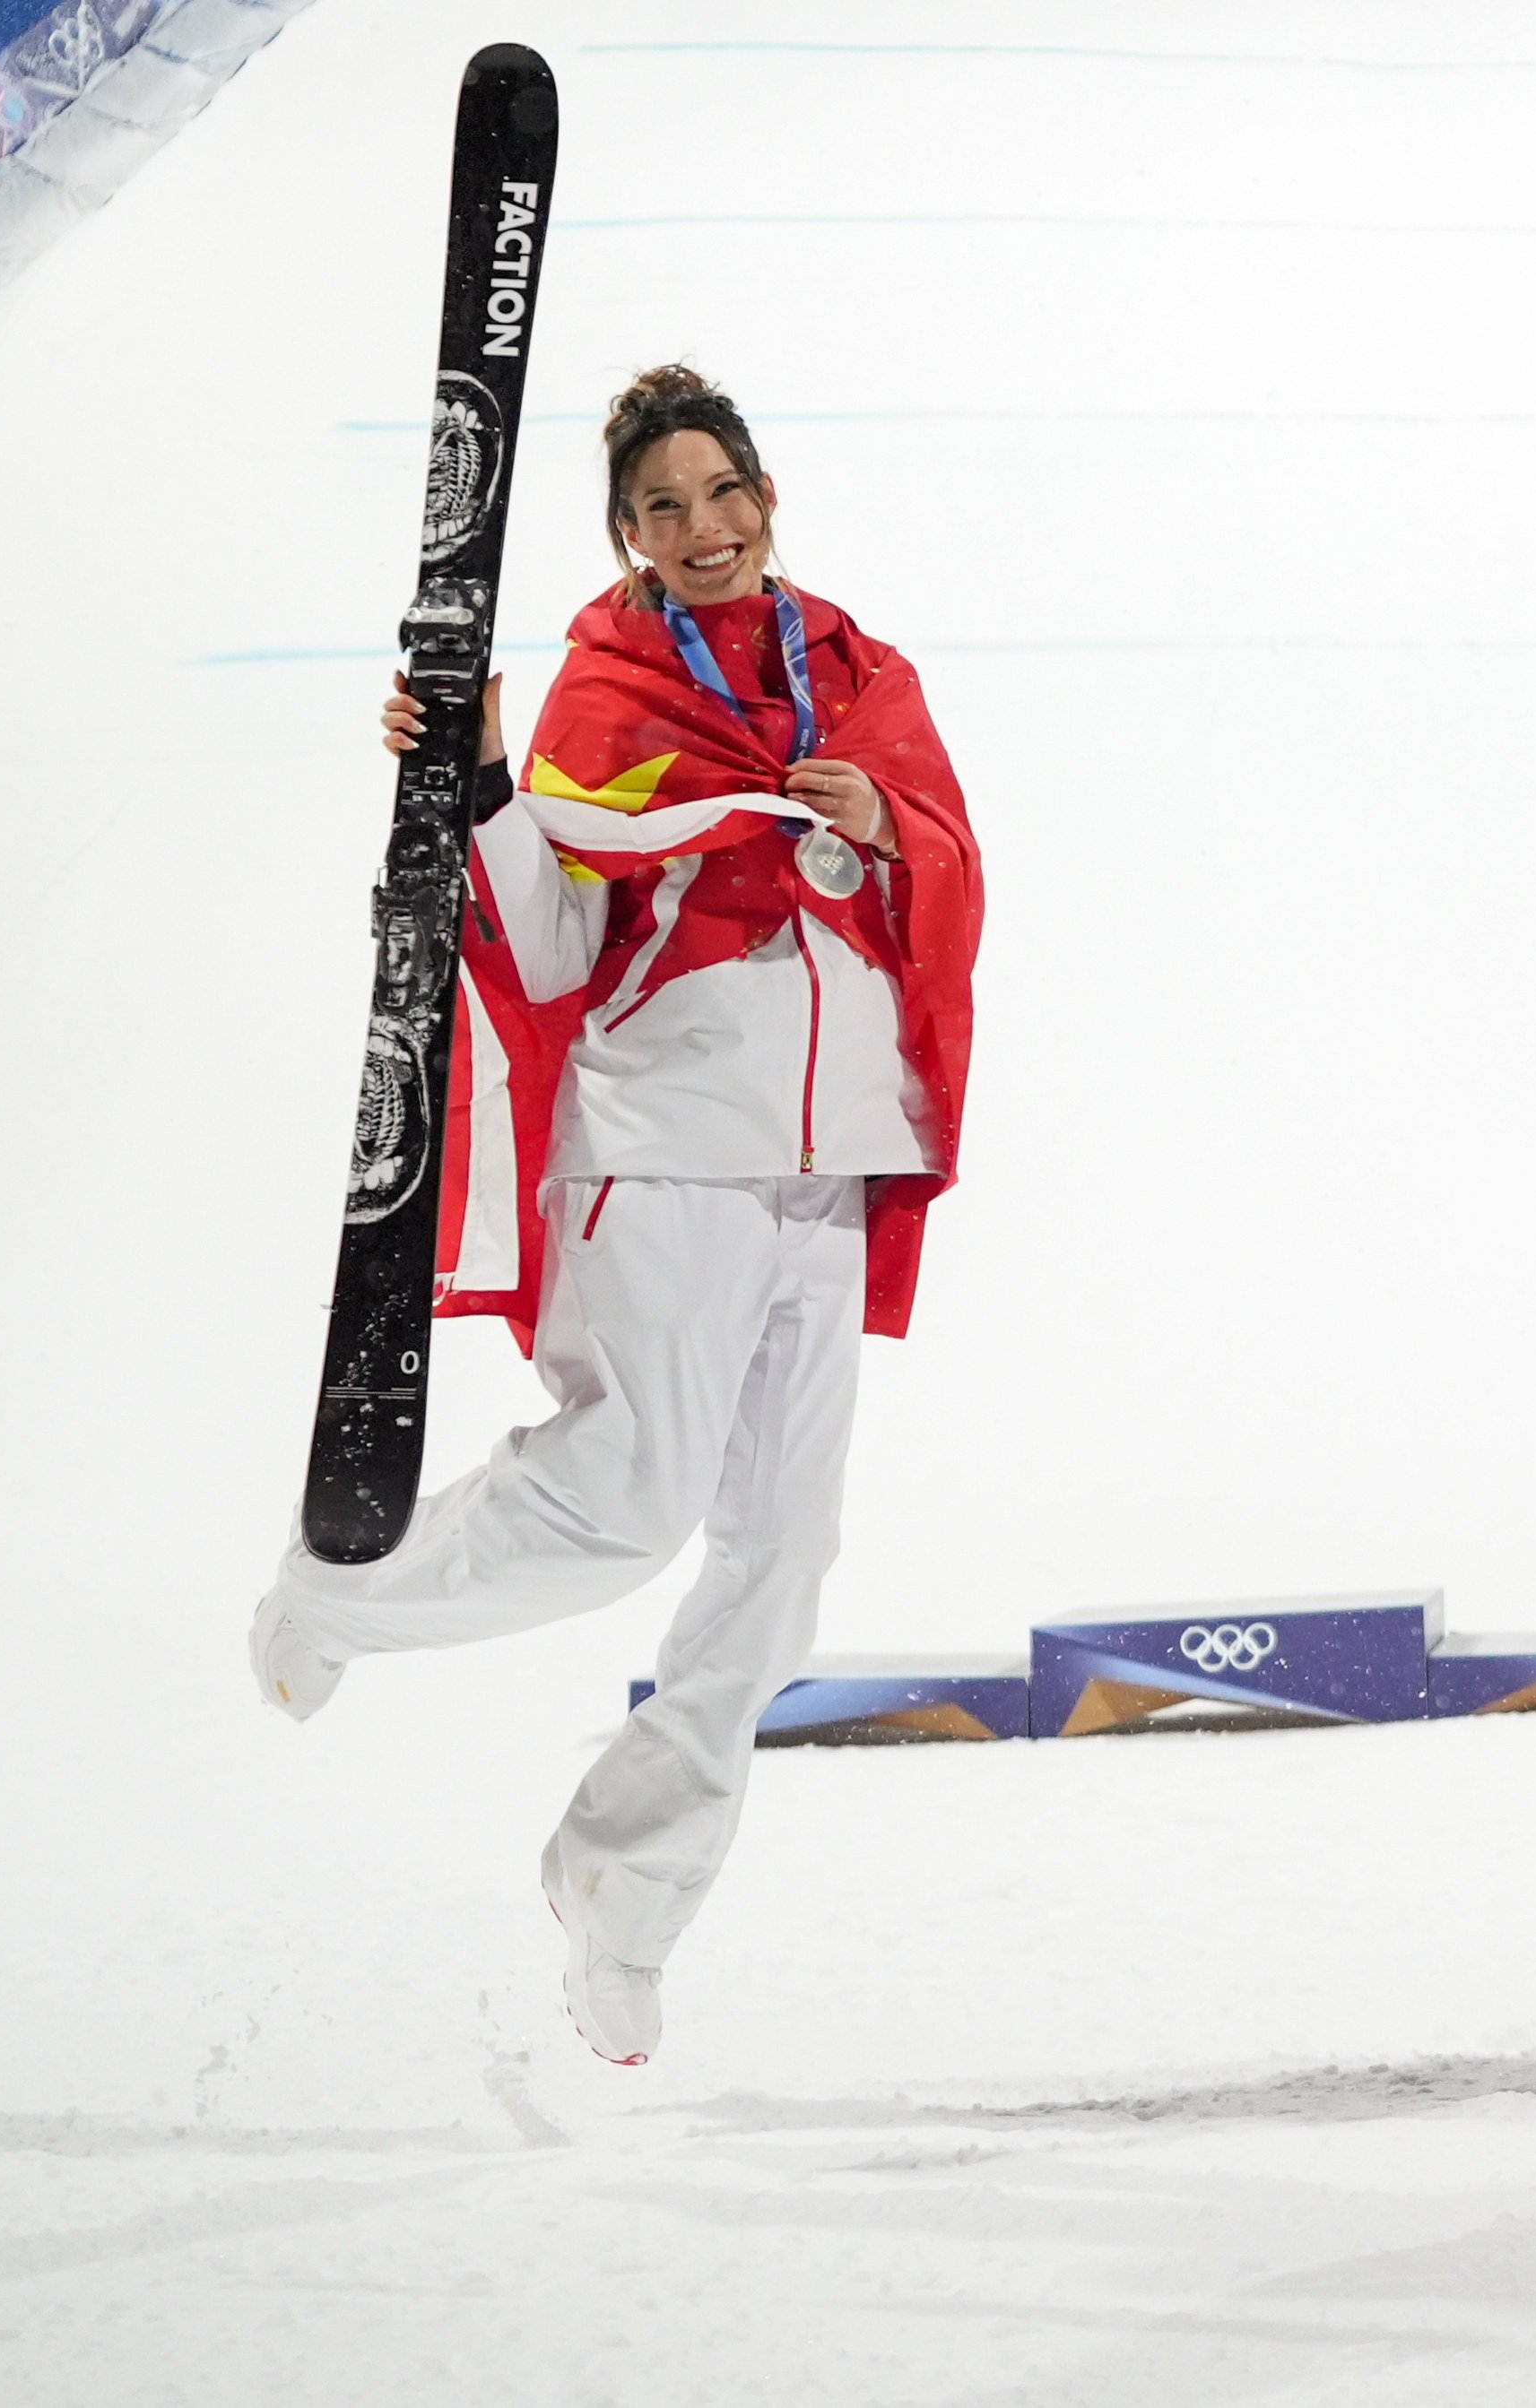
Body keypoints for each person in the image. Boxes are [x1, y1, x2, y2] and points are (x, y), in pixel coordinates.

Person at [248, 364, 984, 2066]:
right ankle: (334, 1596)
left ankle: (623, 1890)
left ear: (767, 494)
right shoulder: (608, 693)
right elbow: (556, 948)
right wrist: (485, 776)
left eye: (722, 491)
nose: (703, 528)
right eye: (664, 507)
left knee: (782, 1560)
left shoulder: (867, 678)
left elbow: (948, 873)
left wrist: (879, 833)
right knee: (635, 1503)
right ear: (627, 539)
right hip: (663, 1145)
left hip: (826, 1168)